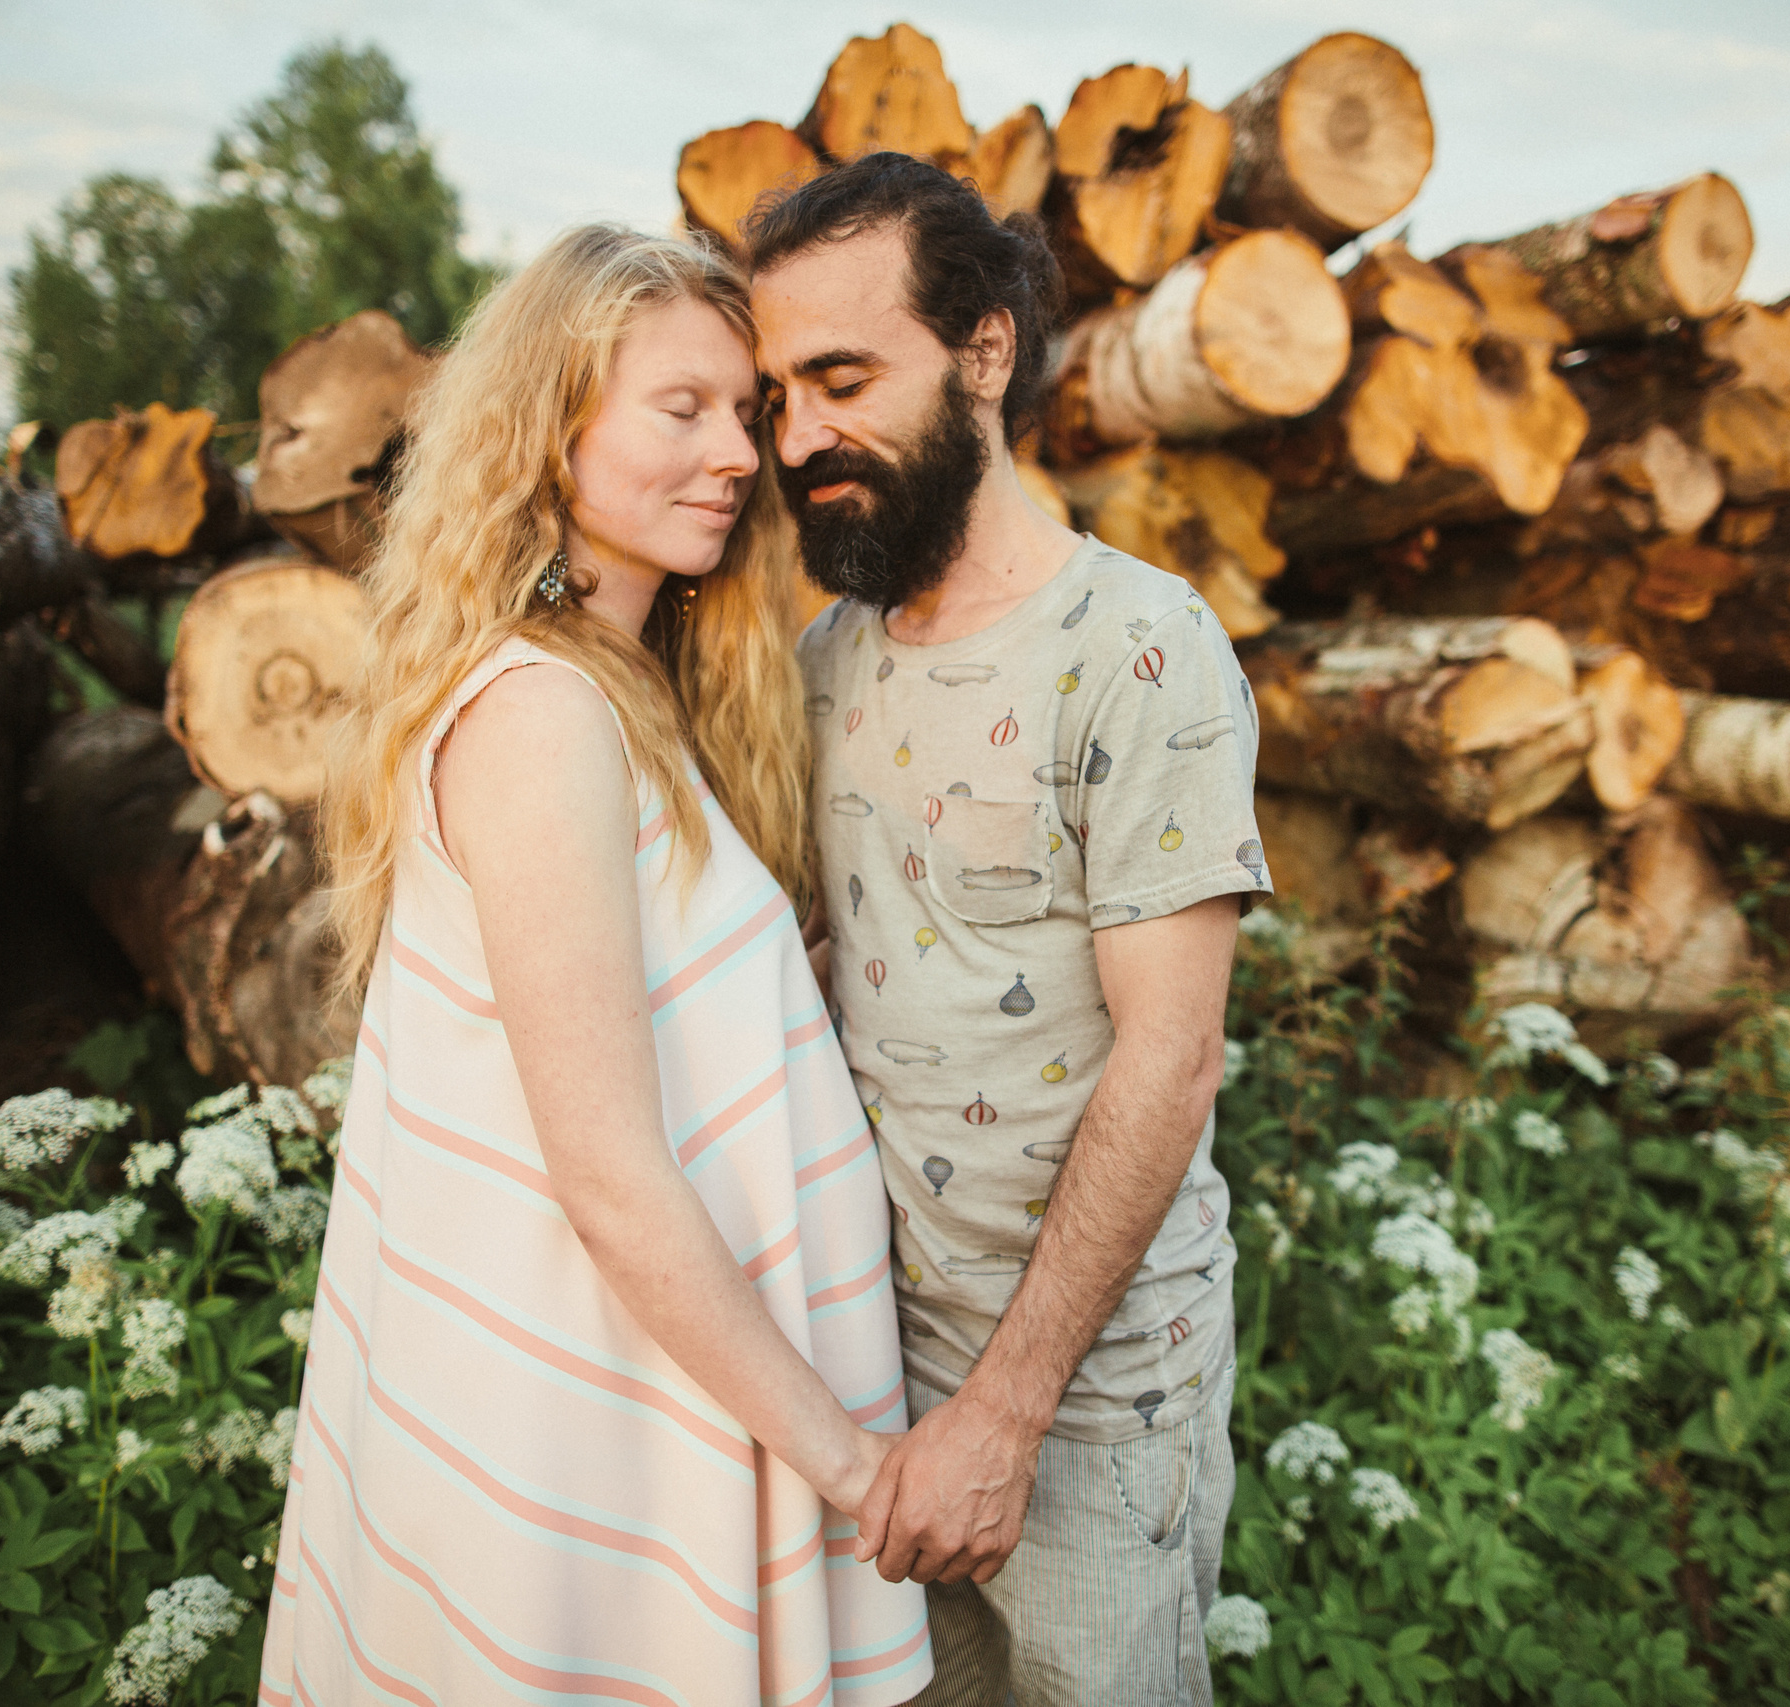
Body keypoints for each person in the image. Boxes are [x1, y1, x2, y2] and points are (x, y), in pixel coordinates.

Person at [261, 224, 934, 1707]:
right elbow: (611, 1177)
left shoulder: (618, 691)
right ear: (547, 428)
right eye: (679, 409)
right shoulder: (541, 717)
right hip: (605, 1423)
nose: (740, 455)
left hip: (651, 1391)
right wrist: (847, 1463)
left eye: (746, 413)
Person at [746, 155, 1270, 1705]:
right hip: (868, 1370)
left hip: (1092, 1403)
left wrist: (1006, 1412)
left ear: (982, 351)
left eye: (843, 380)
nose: (797, 438)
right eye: (777, 397)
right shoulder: (826, 658)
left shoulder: (1143, 651)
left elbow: (1171, 1061)